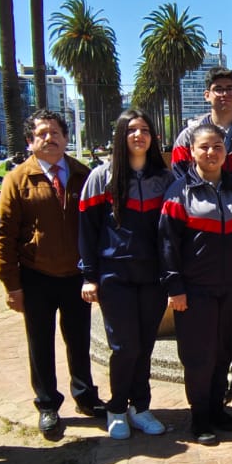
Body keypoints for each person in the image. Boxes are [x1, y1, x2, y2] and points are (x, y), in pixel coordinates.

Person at [0, 110, 103, 440]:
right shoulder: (17, 179)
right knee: (40, 343)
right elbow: (4, 234)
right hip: (35, 276)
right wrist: (11, 285)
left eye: (55, 132)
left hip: (76, 277)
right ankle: (47, 405)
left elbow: (98, 228)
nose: (49, 138)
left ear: (66, 137)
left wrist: (95, 274)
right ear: (30, 141)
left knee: (79, 339)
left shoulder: (82, 175)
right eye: (41, 133)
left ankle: (85, 395)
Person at [162, 123, 232, 444]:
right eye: (204, 147)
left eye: (217, 146)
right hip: (194, 292)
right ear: (191, 152)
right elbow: (167, 245)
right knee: (198, 356)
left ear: (225, 151)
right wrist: (174, 287)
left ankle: (218, 409)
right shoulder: (179, 193)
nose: (211, 152)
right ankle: (200, 416)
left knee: (224, 352)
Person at [172, 68, 232, 403]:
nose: (224, 94)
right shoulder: (188, 136)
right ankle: (212, 386)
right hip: (201, 238)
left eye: (230, 88)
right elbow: (180, 183)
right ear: (207, 95)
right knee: (206, 324)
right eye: (217, 89)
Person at [79, 110, 174, 441]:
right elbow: (87, 232)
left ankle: (141, 407)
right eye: (132, 130)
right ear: (121, 136)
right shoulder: (101, 177)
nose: (139, 135)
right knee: (124, 347)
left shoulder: (165, 179)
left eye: (145, 129)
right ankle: (117, 408)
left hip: (152, 276)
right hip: (114, 275)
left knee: (145, 345)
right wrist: (88, 275)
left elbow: (174, 231)